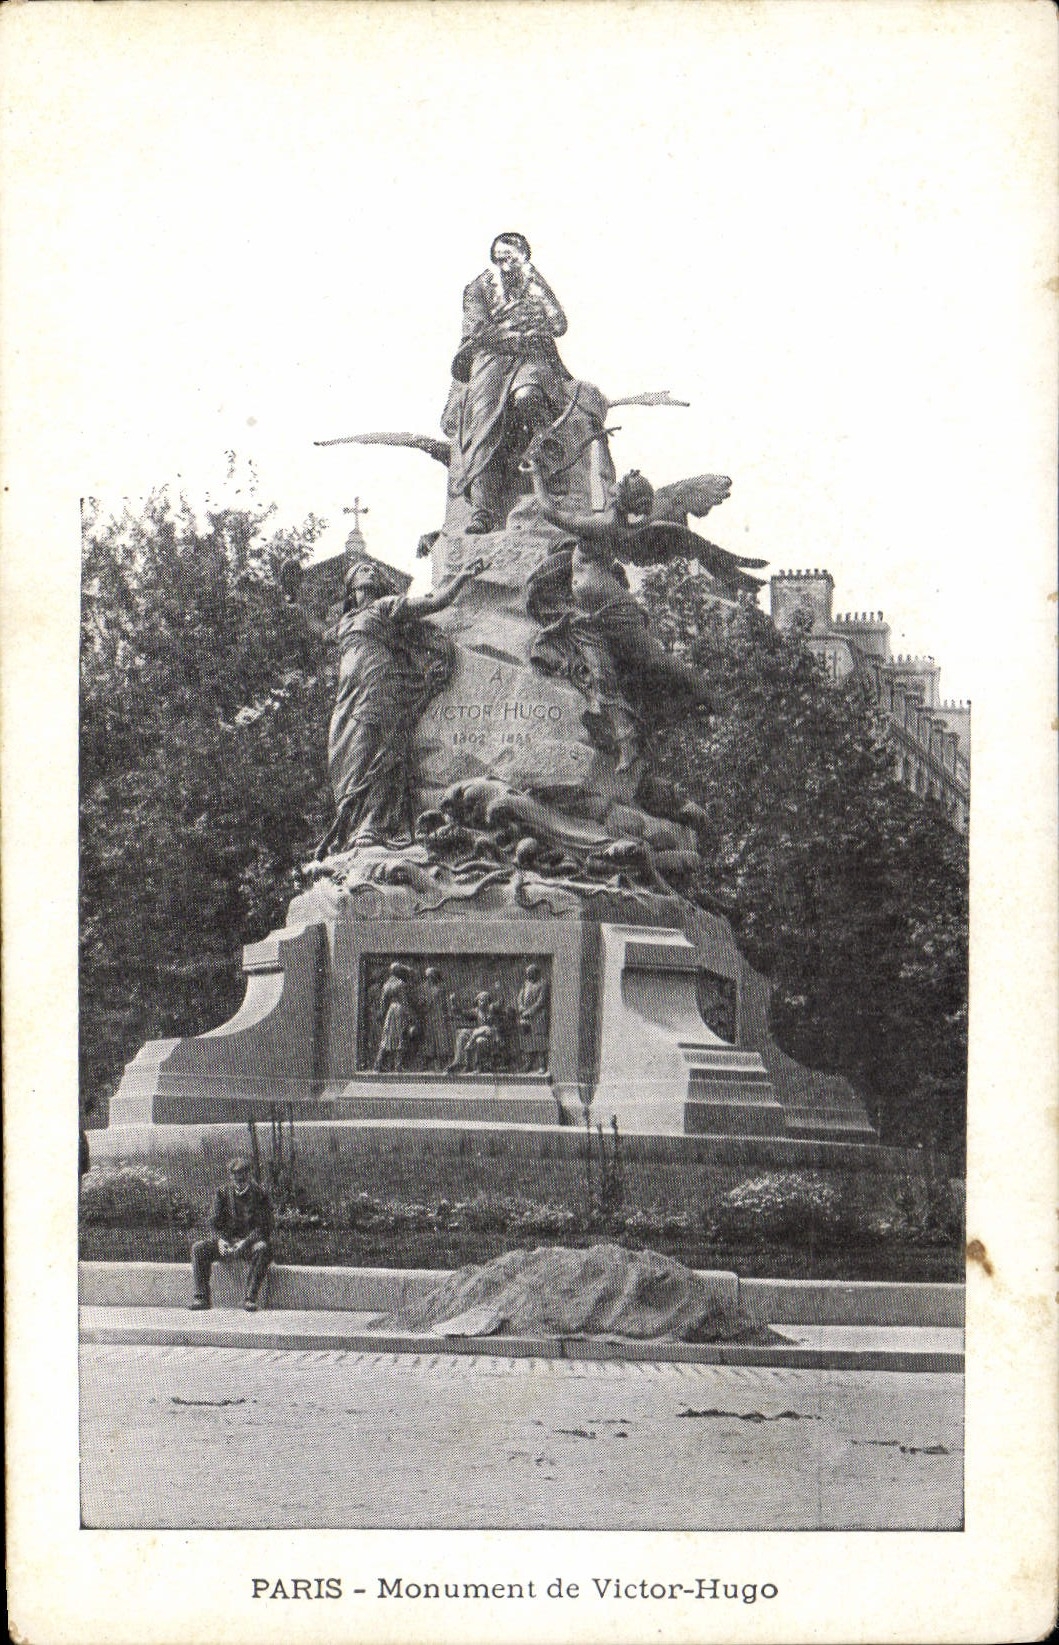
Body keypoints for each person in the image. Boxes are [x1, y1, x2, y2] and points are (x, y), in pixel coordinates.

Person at [315, 552, 486, 858]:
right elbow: (315, 631)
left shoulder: (385, 607)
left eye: (372, 568)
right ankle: (352, 825)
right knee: (342, 755)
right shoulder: (346, 620)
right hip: (348, 694)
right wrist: (289, 598)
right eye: (361, 569)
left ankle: (372, 824)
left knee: (375, 750)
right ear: (351, 587)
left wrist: (462, 577)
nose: (369, 569)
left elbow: (434, 603)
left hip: (378, 685)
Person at [441, 232, 571, 534]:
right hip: (492, 356)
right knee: (483, 421)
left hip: (531, 355)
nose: (506, 261)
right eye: (500, 256)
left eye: (513, 255)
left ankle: (547, 458)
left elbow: (559, 324)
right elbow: (476, 330)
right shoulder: (477, 288)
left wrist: (537, 312)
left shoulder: (535, 283)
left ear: (525, 255)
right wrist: (513, 330)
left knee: (528, 396)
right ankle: (483, 510)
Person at [190, 1159, 273, 1312]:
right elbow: (214, 1222)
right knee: (198, 1248)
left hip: (249, 1243)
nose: (239, 1182)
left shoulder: (260, 1194)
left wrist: (245, 1243)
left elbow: (264, 1226)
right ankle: (201, 1297)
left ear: (249, 1175)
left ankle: (250, 1298)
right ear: (231, 1177)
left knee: (262, 1249)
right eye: (235, 1178)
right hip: (227, 1242)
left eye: (242, 1178)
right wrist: (221, 1241)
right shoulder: (222, 1193)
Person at [374, 962, 415, 1072]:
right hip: (400, 1010)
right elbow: (405, 1001)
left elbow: (383, 1002)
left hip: (390, 1011)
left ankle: (378, 1064)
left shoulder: (386, 984)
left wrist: (382, 1013)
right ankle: (398, 1066)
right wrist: (410, 1016)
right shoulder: (401, 984)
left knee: (387, 1037)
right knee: (401, 1036)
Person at [417, 965, 454, 1070]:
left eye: (433, 976)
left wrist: (446, 1014)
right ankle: (424, 1064)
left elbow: (444, 1004)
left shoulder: (440, 989)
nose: (431, 978)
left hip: (438, 1016)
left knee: (440, 1040)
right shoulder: (422, 988)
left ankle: (440, 1064)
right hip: (427, 1017)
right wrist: (422, 1005)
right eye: (429, 976)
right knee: (428, 1040)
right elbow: (419, 1002)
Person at [516, 962, 550, 1072]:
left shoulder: (542, 984)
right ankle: (528, 1064)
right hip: (526, 1017)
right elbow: (520, 996)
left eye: (530, 973)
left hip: (538, 1016)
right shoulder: (526, 984)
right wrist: (521, 1007)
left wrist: (529, 1011)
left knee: (540, 1040)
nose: (529, 975)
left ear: (536, 973)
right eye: (527, 973)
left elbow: (541, 1001)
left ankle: (542, 1065)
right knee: (528, 1040)